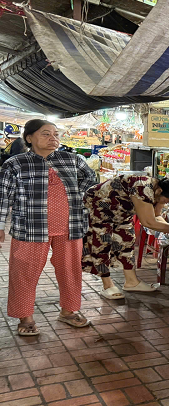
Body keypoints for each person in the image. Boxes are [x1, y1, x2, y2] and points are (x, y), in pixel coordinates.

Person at [0, 119, 97, 336]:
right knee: (24, 272)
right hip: (30, 227)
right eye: (45, 134)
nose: (53, 138)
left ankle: (69, 311)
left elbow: (90, 178)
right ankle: (25, 317)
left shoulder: (72, 160)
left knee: (70, 270)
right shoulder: (15, 164)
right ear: (29, 138)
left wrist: (74, 194)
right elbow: (3, 196)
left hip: (70, 226)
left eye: (55, 134)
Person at [82, 175, 169, 299]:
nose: (165, 204)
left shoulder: (159, 192)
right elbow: (148, 222)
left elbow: (156, 216)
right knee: (101, 244)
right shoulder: (142, 188)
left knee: (127, 240)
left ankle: (132, 282)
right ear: (159, 191)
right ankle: (107, 285)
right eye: (166, 201)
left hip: (121, 211)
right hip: (98, 205)